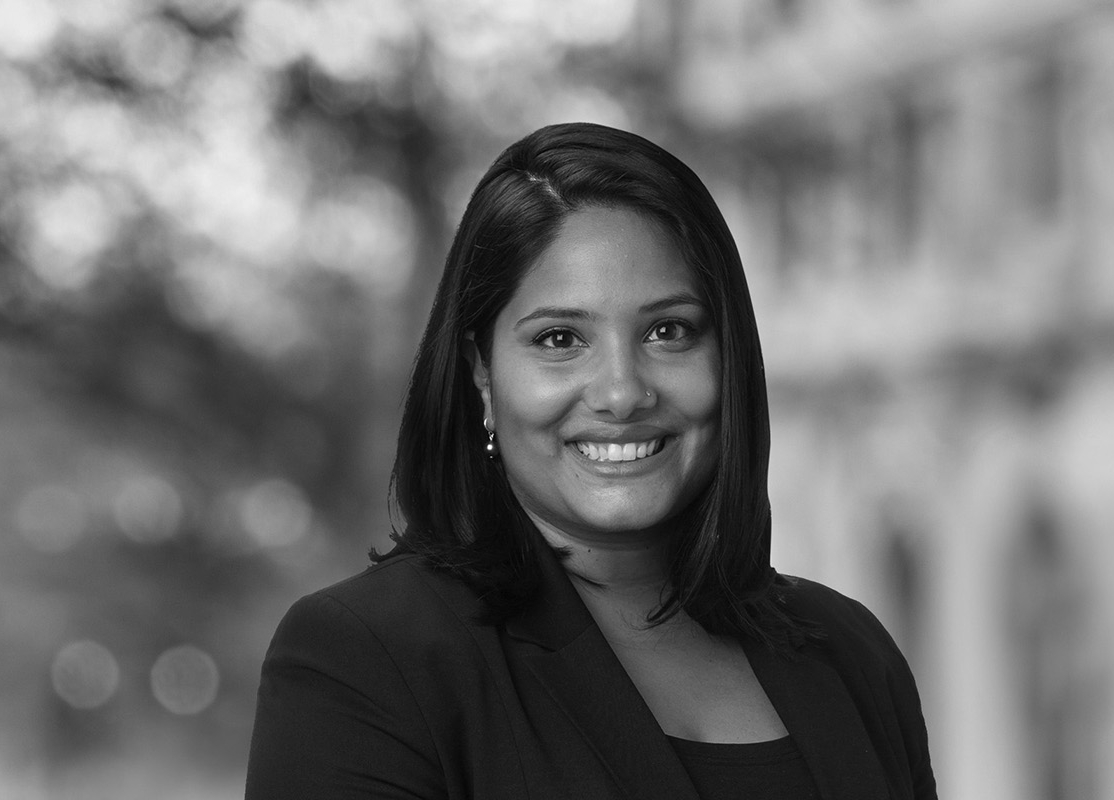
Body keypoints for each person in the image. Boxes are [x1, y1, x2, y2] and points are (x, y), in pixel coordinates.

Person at [245, 122, 937, 800]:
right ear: (481, 372)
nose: (622, 393)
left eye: (669, 331)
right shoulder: (368, 658)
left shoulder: (850, 654)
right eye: (560, 339)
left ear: (729, 355)